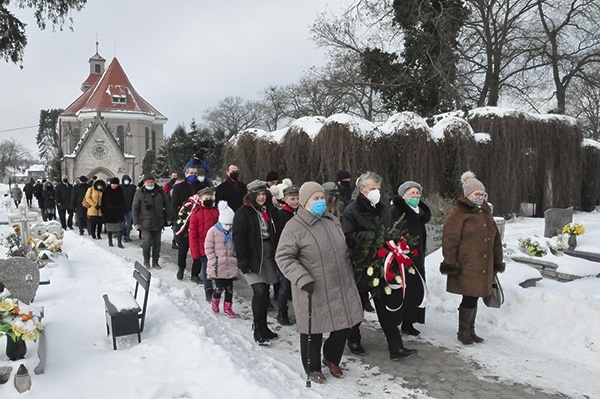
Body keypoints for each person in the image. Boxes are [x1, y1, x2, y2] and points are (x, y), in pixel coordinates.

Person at [276, 182, 363, 384]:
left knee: (344, 324)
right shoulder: (294, 226)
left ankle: (331, 358)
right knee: (312, 330)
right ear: (305, 202)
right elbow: (284, 257)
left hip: (340, 282)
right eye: (315, 199)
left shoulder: (332, 220)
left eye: (321, 198)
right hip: (312, 287)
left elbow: (342, 248)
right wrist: (301, 277)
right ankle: (312, 367)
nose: (320, 202)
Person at [343, 171, 417, 359]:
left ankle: (396, 347)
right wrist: (372, 236)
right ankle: (353, 338)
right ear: (362, 190)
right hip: (360, 266)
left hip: (381, 265)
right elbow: (347, 237)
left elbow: (390, 230)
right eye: (372, 189)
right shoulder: (351, 211)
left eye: (378, 189)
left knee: (385, 308)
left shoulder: (383, 209)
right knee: (357, 305)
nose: (376, 192)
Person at [440, 171, 505, 345]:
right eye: (477, 194)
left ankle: (471, 330)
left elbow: (496, 239)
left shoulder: (485, 212)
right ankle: (463, 332)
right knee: (469, 297)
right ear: (468, 195)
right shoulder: (458, 213)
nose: (480, 197)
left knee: (475, 296)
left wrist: (497, 260)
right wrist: (451, 261)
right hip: (467, 263)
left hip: (483, 264)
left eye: (482, 194)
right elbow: (450, 239)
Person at [232, 180, 280, 345]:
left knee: (265, 291)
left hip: (267, 255)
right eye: (257, 194)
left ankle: (264, 326)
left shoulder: (268, 210)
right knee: (259, 291)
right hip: (252, 257)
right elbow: (238, 237)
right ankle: (258, 328)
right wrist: (242, 260)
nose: (261, 197)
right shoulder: (243, 212)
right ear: (250, 195)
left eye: (263, 194)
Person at [381, 181, 431, 336]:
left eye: (417, 193)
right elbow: (390, 231)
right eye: (412, 193)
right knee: (401, 290)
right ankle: (395, 321)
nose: (415, 196)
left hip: (417, 257)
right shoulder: (395, 211)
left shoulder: (419, 212)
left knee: (415, 290)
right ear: (403, 195)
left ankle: (409, 322)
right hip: (401, 257)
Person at [172, 166, 209, 281]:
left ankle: (195, 273)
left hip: (198, 222)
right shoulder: (178, 187)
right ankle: (181, 268)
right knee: (183, 248)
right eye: (190, 173)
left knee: (197, 249)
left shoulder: (202, 187)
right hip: (184, 222)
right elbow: (174, 204)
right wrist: (183, 211)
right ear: (185, 174)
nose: (193, 175)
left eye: (195, 173)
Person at [205, 201, 238, 317]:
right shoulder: (213, 231)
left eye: (230, 225)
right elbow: (208, 247)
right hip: (218, 265)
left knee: (229, 288)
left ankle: (228, 307)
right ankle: (215, 300)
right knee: (220, 287)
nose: (228, 227)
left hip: (230, 264)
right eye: (226, 224)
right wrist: (213, 260)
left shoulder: (233, 232)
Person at [132, 175, 172, 269]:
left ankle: (155, 261)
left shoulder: (160, 191)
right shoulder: (140, 192)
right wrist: (136, 222)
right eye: (148, 182)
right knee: (147, 242)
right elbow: (135, 207)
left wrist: (169, 217)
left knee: (157, 243)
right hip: (145, 222)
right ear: (144, 183)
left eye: (151, 182)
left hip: (158, 221)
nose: (150, 184)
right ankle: (146, 260)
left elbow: (167, 204)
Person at [275, 185, 300, 326]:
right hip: (286, 254)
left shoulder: (302, 213)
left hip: (300, 253)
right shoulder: (280, 215)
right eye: (292, 198)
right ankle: (282, 311)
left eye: (297, 198)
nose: (295, 201)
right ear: (285, 199)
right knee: (285, 285)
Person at [188, 187, 219, 300]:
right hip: (203, 248)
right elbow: (193, 235)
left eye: (210, 198)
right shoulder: (196, 214)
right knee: (206, 268)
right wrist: (195, 252)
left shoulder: (216, 212)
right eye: (206, 198)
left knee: (216, 267)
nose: (208, 200)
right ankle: (208, 288)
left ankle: (218, 287)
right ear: (200, 200)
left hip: (216, 246)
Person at [101, 177, 126, 248]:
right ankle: (110, 241)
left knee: (119, 228)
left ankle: (119, 242)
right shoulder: (106, 190)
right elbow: (103, 201)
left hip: (118, 212)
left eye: (115, 184)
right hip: (108, 213)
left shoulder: (120, 190)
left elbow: (122, 200)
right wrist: (103, 211)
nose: (114, 186)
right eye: (113, 184)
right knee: (109, 228)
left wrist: (122, 209)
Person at [121, 175, 136, 242]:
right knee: (123, 223)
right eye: (125, 180)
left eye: (127, 180)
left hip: (130, 207)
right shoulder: (120, 187)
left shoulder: (132, 187)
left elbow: (134, 197)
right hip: (122, 208)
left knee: (129, 222)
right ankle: (124, 235)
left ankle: (127, 235)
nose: (126, 181)